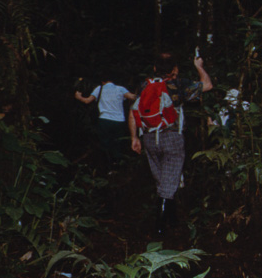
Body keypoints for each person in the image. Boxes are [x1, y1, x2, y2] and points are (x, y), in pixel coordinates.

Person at [129, 52, 213, 233]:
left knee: (164, 180)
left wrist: (134, 137)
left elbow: (133, 111)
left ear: (154, 68)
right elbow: (207, 85)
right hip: (172, 137)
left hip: (149, 138)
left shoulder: (144, 85)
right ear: (175, 69)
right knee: (168, 183)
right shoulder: (178, 85)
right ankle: (159, 229)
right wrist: (198, 66)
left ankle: (172, 220)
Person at [74, 78, 137, 164]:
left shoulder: (99, 88)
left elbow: (87, 101)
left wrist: (79, 97)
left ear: (102, 81)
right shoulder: (120, 89)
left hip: (104, 120)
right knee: (117, 143)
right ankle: (117, 163)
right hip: (119, 121)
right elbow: (133, 97)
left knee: (105, 143)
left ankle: (107, 163)